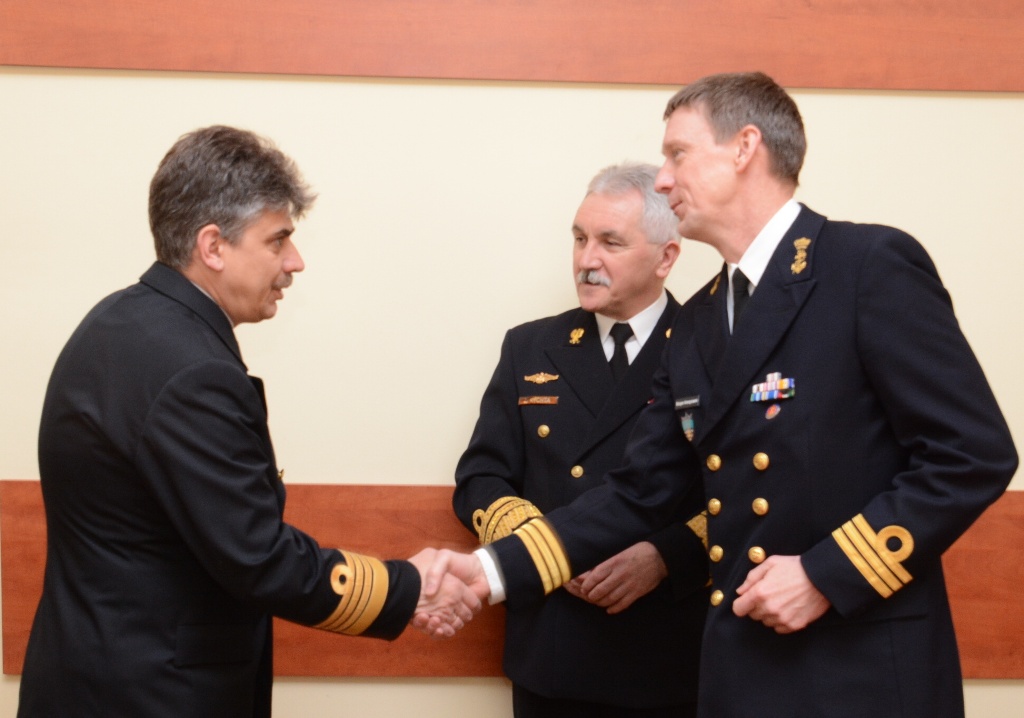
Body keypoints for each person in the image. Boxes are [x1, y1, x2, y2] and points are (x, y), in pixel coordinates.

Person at [429, 72, 1018, 718]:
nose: (662, 180)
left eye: (678, 154)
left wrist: (826, 574)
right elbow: (637, 493)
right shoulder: (698, 323)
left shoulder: (864, 266)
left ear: (744, 148)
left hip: (860, 671)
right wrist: (487, 572)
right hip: (741, 674)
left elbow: (972, 453)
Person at [18, 125, 478, 718]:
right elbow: (256, 555)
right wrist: (406, 588)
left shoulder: (121, 321)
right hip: (153, 693)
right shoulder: (190, 370)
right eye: (278, 239)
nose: (295, 262)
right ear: (213, 246)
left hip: (94, 675)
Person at [453, 163, 708, 718]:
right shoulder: (530, 347)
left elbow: (742, 489)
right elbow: (479, 478)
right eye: (579, 238)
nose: (586, 260)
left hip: (665, 652)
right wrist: (540, 545)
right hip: (553, 647)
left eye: (610, 243)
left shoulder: (710, 349)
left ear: (666, 257)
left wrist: (664, 557)